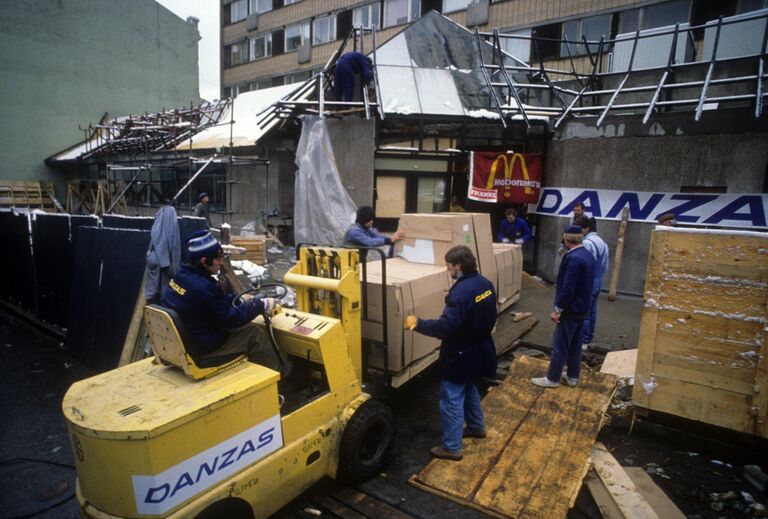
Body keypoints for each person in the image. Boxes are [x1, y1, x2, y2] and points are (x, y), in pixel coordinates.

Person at [405, 245, 498, 461]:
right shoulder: (485, 284)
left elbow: (445, 328)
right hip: (479, 348)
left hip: (460, 352)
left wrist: (416, 323)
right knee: (469, 387)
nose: (448, 270)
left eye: (449, 265)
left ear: (458, 265)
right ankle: (476, 427)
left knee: (451, 398)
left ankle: (451, 447)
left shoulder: (460, 293)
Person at [161, 230, 279, 369]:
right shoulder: (204, 288)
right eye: (218, 258)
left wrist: (238, 300)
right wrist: (258, 305)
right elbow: (230, 320)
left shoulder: (181, 276)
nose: (221, 262)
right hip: (204, 348)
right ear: (204, 261)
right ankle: (282, 380)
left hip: (188, 339)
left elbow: (211, 304)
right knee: (254, 334)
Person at [532, 225, 595, 388]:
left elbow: (568, 287)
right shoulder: (587, 255)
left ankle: (552, 379)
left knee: (560, 345)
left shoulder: (573, 258)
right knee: (575, 345)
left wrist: (558, 309)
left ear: (567, 240)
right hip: (582, 308)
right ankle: (573, 377)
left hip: (570, 309)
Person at [575, 216, 608, 350]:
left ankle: (583, 340)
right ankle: (588, 337)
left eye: (580, 229)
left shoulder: (587, 243)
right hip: (598, 278)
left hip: (588, 280)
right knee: (592, 310)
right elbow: (605, 265)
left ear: (586, 228)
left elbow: (585, 264)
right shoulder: (602, 242)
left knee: (584, 311)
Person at [144, 204, 181, 304]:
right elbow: (172, 244)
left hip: (157, 263)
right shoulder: (169, 217)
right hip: (163, 265)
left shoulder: (159, 219)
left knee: (152, 295)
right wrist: (167, 263)